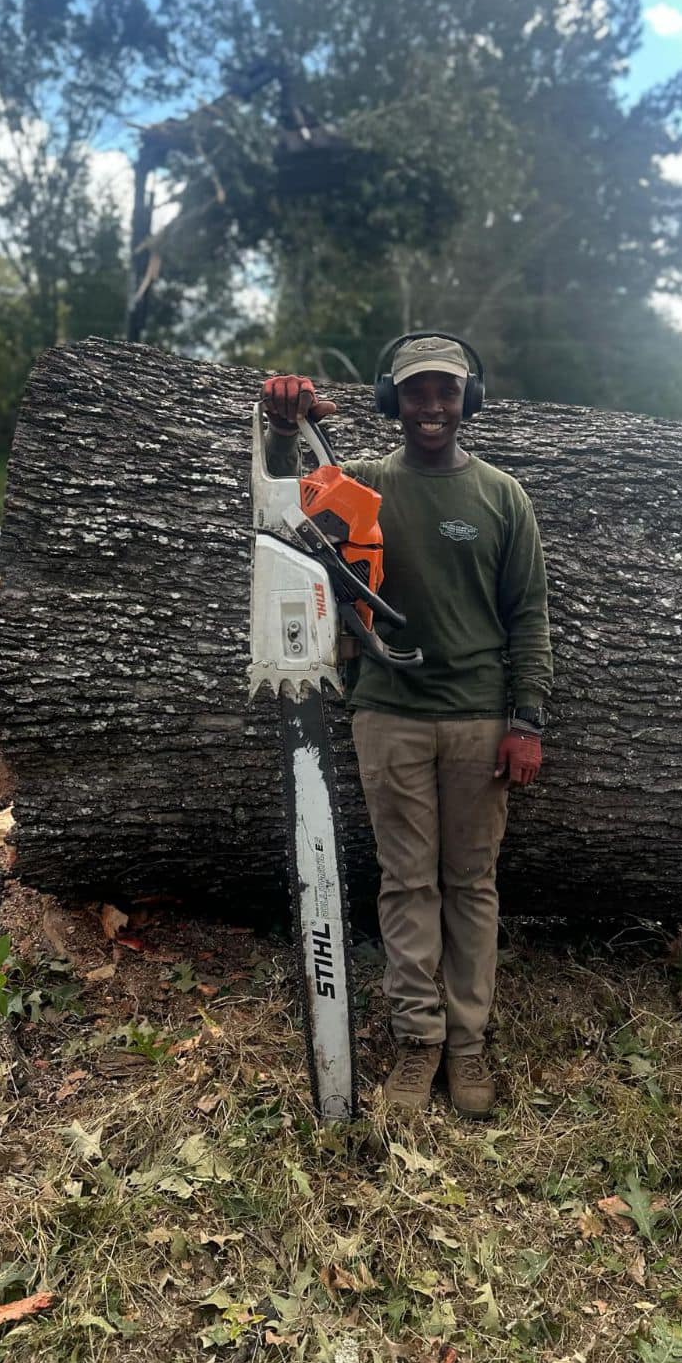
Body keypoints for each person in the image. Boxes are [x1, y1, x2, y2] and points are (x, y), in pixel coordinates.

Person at [260, 334, 552, 1118]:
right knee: (408, 883)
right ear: (395, 401)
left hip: (478, 722)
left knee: (471, 885)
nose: (432, 408)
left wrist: (527, 719)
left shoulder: (502, 497)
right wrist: (284, 428)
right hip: (388, 715)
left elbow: (528, 617)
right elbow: (288, 508)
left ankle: (469, 1046)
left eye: (446, 393)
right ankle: (418, 1045)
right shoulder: (362, 489)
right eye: (417, 393)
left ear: (468, 402)